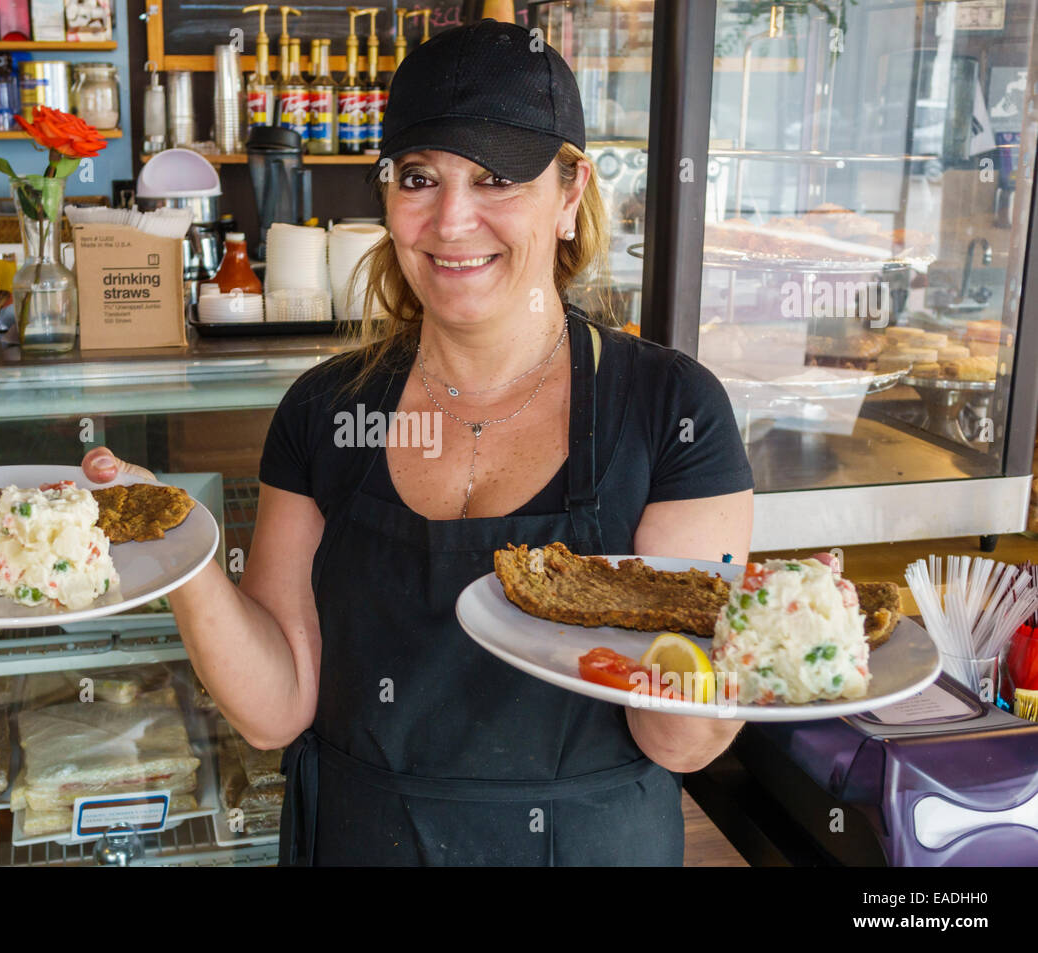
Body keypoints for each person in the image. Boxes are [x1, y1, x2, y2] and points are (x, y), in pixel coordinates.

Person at [84, 19, 756, 865]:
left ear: (571, 189)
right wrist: (179, 546)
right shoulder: (327, 408)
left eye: (496, 177)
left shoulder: (669, 409)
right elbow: (274, 709)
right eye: (419, 178)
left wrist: (752, 644)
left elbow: (680, 743)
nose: (452, 220)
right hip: (362, 839)